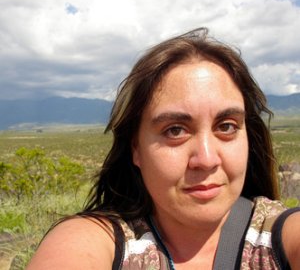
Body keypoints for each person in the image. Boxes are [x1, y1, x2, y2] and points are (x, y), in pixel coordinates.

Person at [27, 28, 300, 269]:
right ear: (136, 148)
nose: (205, 159)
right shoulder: (100, 242)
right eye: (175, 130)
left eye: (226, 126)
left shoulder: (279, 239)